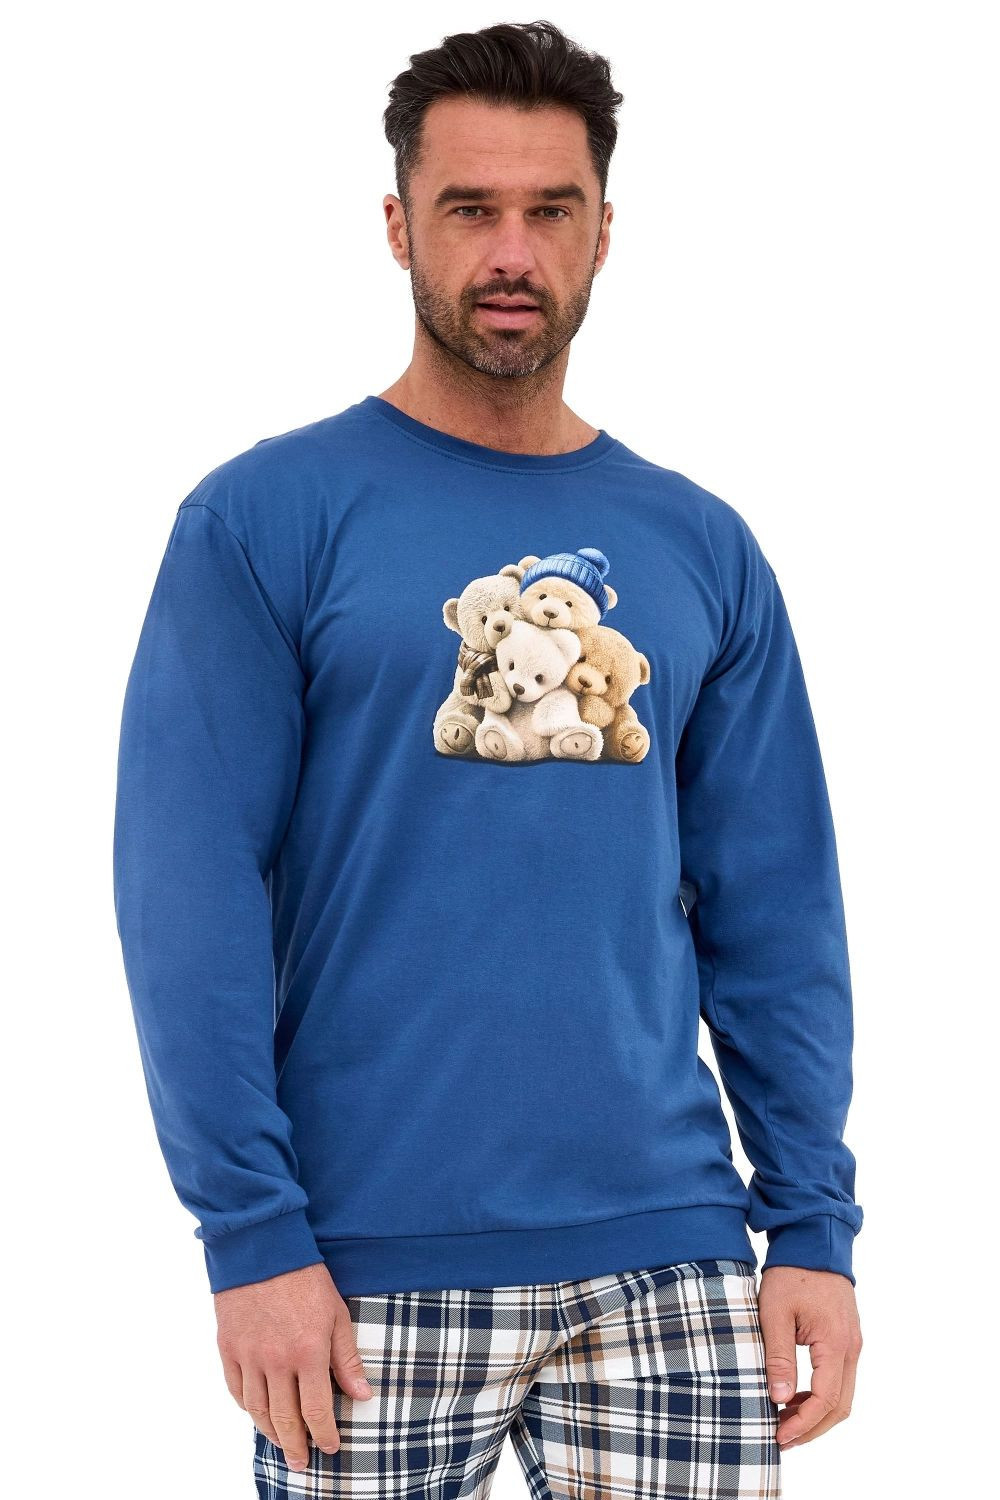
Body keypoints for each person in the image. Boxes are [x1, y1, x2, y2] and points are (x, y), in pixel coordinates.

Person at [112, 19, 863, 1499]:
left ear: (603, 233)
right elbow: (187, 894)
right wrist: (249, 1236)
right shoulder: (263, 520)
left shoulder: (702, 545)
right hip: (360, 1269)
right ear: (399, 226)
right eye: (469, 209)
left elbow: (776, 911)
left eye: (549, 210)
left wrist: (814, 1227)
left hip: (672, 1257)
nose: (511, 252)